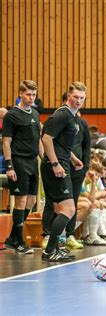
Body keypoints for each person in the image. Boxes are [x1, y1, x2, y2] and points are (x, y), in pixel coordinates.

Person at [40, 81, 86, 262]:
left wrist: (73, 159)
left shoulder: (73, 116)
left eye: (82, 98)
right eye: (75, 97)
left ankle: (54, 248)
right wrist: (55, 163)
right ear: (68, 96)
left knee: (60, 208)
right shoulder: (62, 115)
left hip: (64, 163)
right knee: (69, 209)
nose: (78, 101)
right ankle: (50, 250)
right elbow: (46, 139)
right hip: (55, 167)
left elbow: (60, 143)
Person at [2, 80, 43, 254]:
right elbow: (6, 142)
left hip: (33, 162)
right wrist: (9, 165)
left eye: (34, 95)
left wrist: (46, 159)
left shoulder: (35, 113)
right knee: (21, 201)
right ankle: (18, 241)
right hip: (18, 161)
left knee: (32, 201)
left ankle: (13, 238)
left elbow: (38, 140)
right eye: (28, 94)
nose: (31, 98)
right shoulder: (12, 115)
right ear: (20, 93)